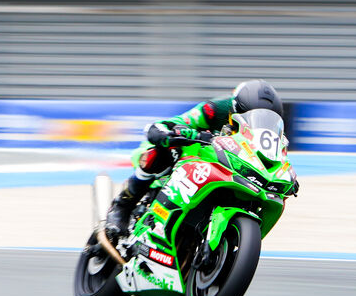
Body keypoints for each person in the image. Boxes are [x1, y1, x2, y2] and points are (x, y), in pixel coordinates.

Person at [105, 79, 285, 239]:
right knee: (165, 152)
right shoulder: (216, 109)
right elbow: (178, 122)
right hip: (191, 155)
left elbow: (276, 160)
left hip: (229, 168)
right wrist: (170, 132)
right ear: (235, 109)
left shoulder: (271, 135)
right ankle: (122, 206)